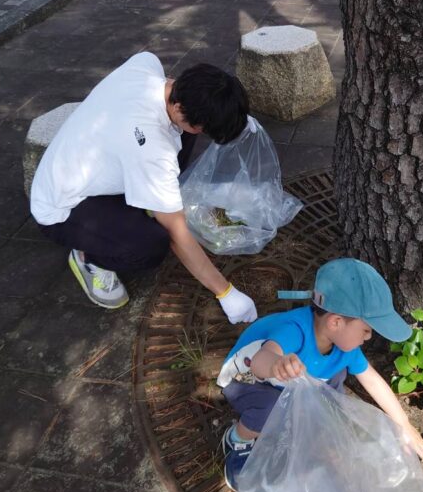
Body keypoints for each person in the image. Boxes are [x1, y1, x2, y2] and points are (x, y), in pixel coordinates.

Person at [30, 52, 258, 324]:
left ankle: (153, 199)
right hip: (64, 207)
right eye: (204, 129)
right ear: (178, 107)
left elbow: (182, 112)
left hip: (88, 169)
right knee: (151, 245)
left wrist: (232, 114)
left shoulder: (146, 65)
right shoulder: (152, 150)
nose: (203, 134)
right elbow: (176, 234)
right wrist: (226, 292)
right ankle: (88, 258)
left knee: (182, 134)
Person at [216, 257, 423, 490]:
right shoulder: (295, 330)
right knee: (270, 407)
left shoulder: (344, 346)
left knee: (334, 380)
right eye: (366, 330)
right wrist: (277, 364)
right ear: (336, 322)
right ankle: (238, 439)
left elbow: (371, 380)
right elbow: (260, 360)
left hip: (290, 382)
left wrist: (404, 424)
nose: (368, 338)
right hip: (247, 379)